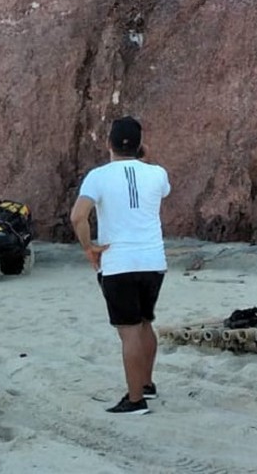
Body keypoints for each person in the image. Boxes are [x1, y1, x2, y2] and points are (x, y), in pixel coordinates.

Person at [71, 116, 171, 416]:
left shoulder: (98, 177)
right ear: (141, 145)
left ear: (108, 143)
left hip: (119, 263)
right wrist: (143, 158)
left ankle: (135, 399)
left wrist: (89, 247)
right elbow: (158, 189)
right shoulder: (157, 173)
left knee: (128, 332)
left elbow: (78, 216)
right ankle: (147, 384)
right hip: (153, 261)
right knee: (145, 323)